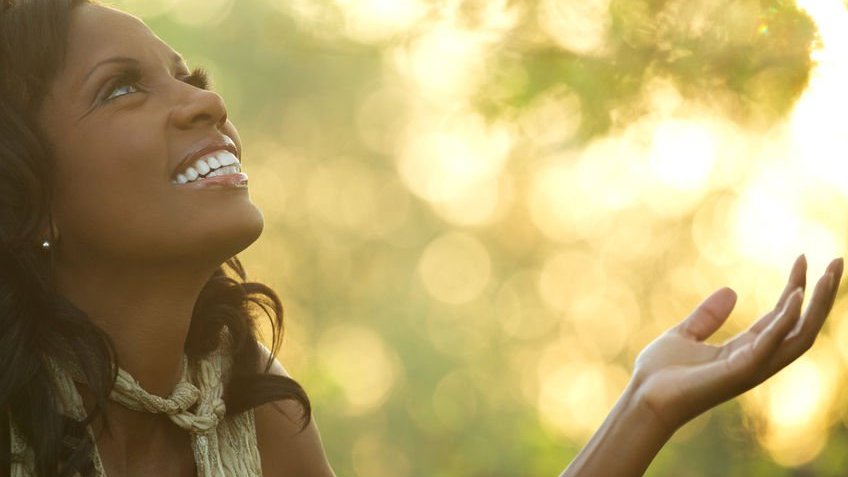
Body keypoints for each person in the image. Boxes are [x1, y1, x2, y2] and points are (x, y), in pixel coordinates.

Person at [0, 1, 842, 476]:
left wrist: (643, 403)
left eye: (190, 77)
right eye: (121, 90)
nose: (204, 102)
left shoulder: (244, 401)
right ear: (29, 196)